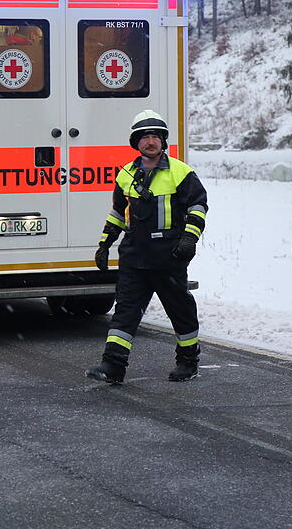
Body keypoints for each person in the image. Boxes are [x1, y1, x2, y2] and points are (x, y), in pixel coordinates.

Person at [86, 110, 208, 385]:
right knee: (125, 311)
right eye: (144, 137)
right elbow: (118, 213)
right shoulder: (125, 176)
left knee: (180, 310)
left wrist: (189, 238)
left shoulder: (181, 172)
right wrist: (105, 243)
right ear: (136, 142)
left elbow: (198, 206)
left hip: (169, 256)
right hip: (134, 256)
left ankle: (188, 361)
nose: (150, 142)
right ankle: (113, 365)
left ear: (163, 141)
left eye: (155, 137)